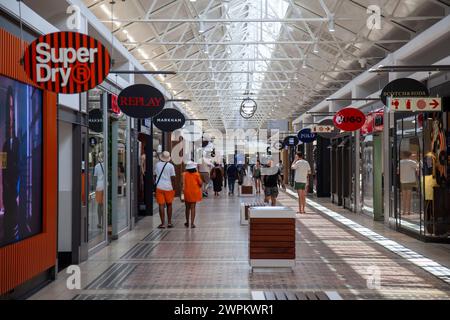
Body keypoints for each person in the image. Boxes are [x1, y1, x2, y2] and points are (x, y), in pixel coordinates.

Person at [2, 86, 20, 244]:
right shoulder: (6, 144)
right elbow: (3, 167)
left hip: (16, 193)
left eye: (12, 108)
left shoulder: (20, 142)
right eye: (8, 108)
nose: (10, 114)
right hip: (9, 193)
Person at [154, 151, 177, 228]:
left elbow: (155, 175)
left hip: (159, 187)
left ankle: (163, 223)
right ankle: (169, 222)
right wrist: (173, 187)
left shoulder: (157, 165)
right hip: (168, 187)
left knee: (161, 205)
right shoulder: (171, 166)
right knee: (169, 204)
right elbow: (173, 178)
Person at [183, 161, 202, 228]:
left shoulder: (184, 174)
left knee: (187, 208)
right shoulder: (196, 174)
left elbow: (182, 183)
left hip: (187, 192)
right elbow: (200, 183)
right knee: (193, 207)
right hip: (194, 192)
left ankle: (187, 222)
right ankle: (192, 223)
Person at [400, 150, 419, 216]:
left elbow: (397, 171)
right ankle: (408, 211)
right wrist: (415, 159)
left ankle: (403, 211)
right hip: (410, 181)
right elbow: (417, 167)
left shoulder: (400, 162)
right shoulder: (411, 162)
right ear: (409, 155)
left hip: (403, 181)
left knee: (404, 197)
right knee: (409, 197)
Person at [94, 152, 105, 228]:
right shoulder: (107, 166)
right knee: (104, 205)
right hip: (105, 185)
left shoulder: (97, 166)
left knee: (99, 204)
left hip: (99, 186)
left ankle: (99, 222)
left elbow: (95, 177)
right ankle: (105, 222)